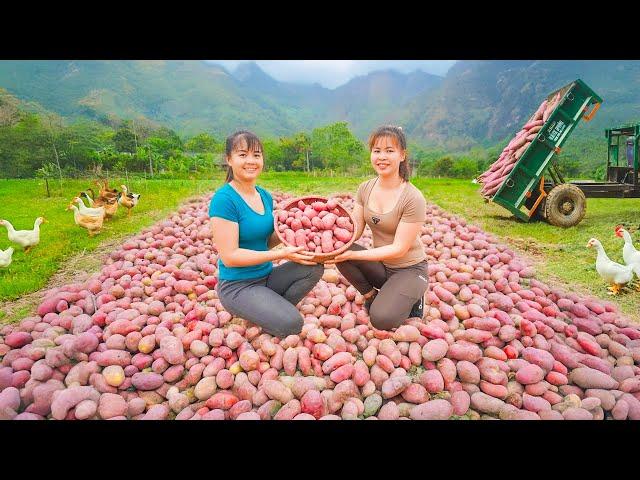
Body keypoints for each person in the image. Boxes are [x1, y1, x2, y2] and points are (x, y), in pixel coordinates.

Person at [209, 130, 324, 338]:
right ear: (229, 160)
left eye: (256, 154)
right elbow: (230, 257)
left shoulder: (264, 196)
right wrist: (282, 255)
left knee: (313, 267)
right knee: (292, 324)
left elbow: (264, 243)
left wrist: (288, 230)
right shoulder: (224, 199)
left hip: (266, 277)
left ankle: (269, 309)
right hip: (237, 286)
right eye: (242, 155)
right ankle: (267, 311)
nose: (251, 161)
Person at [327, 125, 428, 331]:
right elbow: (355, 229)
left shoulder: (412, 197)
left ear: (402, 155)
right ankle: (371, 294)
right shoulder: (365, 188)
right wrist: (327, 239)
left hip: (409, 269)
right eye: (377, 151)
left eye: (389, 151)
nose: (382, 157)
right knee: (342, 251)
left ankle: (414, 297)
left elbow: (399, 249)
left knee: (381, 320)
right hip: (382, 267)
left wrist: (354, 256)